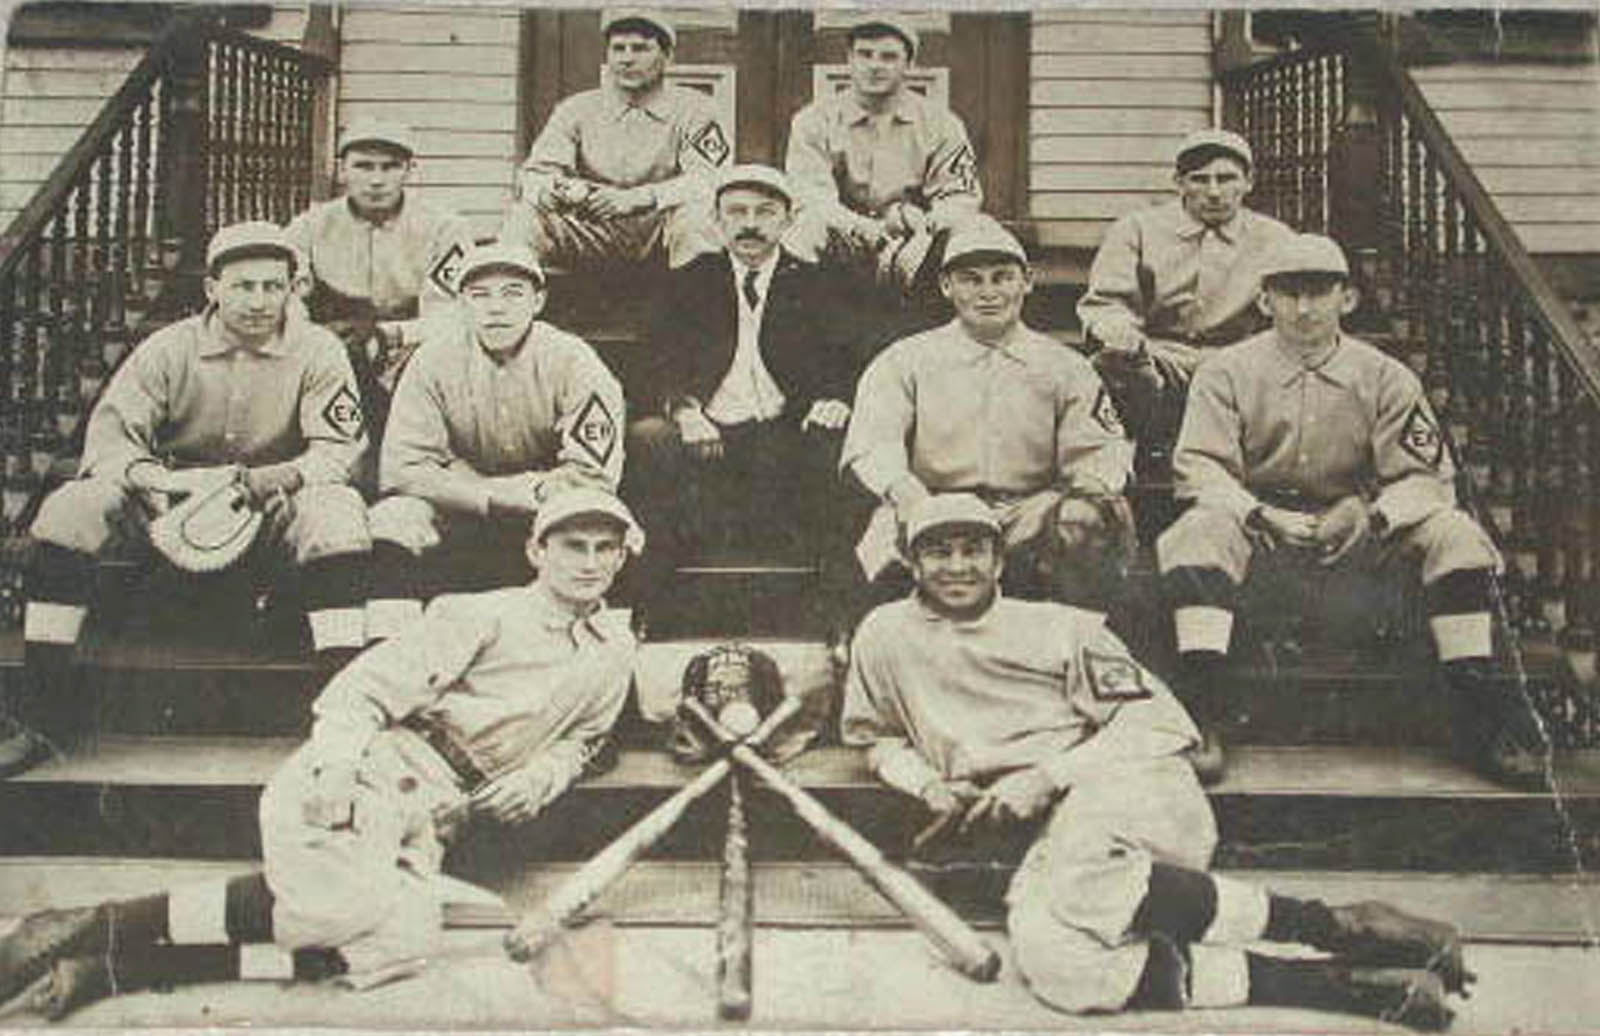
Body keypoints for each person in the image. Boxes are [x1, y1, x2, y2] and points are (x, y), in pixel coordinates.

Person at [0, 488, 643, 1019]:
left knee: (399, 945)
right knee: (339, 906)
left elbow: (583, 742)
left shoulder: (613, 651)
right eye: (572, 545)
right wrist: (336, 770)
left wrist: (538, 779)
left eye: (604, 548)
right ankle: (91, 926)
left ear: (621, 557)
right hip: (375, 767)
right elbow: (359, 691)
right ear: (536, 550)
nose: (588, 562)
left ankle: (113, 968)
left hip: (436, 813)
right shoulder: (481, 615)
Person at [841, 493, 1470, 1031]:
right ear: (912, 562)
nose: (957, 566)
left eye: (972, 550)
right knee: (1059, 965)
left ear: (1000, 560)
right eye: (938, 551)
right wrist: (926, 785)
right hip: (1044, 831)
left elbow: (1158, 723)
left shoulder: (1064, 628)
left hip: (1122, 784)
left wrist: (1046, 776)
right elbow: (877, 738)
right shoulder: (883, 634)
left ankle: (1333, 925)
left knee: (1081, 873)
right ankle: (1342, 987)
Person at [1156, 233, 1550, 787]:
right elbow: (1199, 466)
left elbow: (1426, 477)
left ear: (1348, 298)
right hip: (1262, 535)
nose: (1304, 308)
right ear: (1264, 300)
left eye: (1319, 292)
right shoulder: (1226, 371)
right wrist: (1258, 514)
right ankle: (1202, 710)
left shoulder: (1386, 375)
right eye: (1289, 293)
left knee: (1455, 534)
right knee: (1199, 531)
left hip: (1360, 538)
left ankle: (1478, 711)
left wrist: (1373, 514)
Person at [0, 222, 371, 779]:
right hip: (167, 505)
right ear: (212, 288)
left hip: (266, 502)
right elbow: (111, 440)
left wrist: (270, 480)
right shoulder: (168, 348)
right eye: (244, 286)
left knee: (336, 512)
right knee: (71, 508)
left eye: (273, 286)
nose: (259, 301)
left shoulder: (317, 349)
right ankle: (43, 712)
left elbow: (339, 449)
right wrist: (157, 482)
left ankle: (341, 727)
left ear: (292, 289)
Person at [841, 217, 1133, 611]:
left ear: (1027, 281)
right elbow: (873, 444)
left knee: (1082, 520)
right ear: (946, 286)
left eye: (1002, 278)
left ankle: (1065, 639)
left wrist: (1060, 498)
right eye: (971, 280)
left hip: (1027, 512)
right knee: (883, 560)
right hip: (931, 502)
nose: (988, 293)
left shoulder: (1065, 366)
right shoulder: (905, 360)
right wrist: (909, 494)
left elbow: (1102, 452)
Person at [364, 242, 624, 641]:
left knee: (590, 520)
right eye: (480, 295)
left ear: (538, 301)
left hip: (543, 507)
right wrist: (487, 495)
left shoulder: (574, 360)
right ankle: (389, 646)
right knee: (394, 516)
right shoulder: (432, 359)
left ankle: (589, 636)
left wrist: (510, 490)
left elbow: (593, 475)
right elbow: (403, 468)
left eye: (512, 293)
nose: (496, 308)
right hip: (463, 508)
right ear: (462, 305)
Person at [626, 164, 862, 592]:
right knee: (649, 438)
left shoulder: (818, 284)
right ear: (716, 221)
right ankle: (655, 601)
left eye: (765, 212)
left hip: (786, 434)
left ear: (789, 221)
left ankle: (832, 604)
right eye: (736, 212)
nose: (750, 224)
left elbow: (851, 357)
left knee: (838, 445)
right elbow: (650, 363)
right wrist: (684, 411)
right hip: (707, 435)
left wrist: (837, 399)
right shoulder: (687, 282)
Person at [1077, 128, 1294, 450]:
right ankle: (1148, 454)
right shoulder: (1137, 229)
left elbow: (1290, 306)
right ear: (1179, 183)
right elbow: (1107, 303)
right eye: (1199, 180)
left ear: (1248, 182)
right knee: (1113, 365)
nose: (1214, 192)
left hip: (1240, 358)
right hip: (1159, 357)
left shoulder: (1275, 238)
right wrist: (1121, 335)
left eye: (1226, 179)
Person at [285, 121, 475, 458]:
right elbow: (287, 301)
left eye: (390, 167)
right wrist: (316, 337)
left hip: (411, 346)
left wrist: (390, 336)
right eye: (363, 166)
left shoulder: (445, 228)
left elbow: (450, 315)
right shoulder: (308, 227)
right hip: (334, 344)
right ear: (341, 170)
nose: (376, 180)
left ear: (410, 170)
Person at [500, 9, 728, 271]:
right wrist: (553, 190)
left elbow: (709, 181)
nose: (627, 59)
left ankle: (698, 296)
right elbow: (535, 175)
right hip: (592, 228)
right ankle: (506, 293)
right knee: (525, 217)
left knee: (697, 217)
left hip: (662, 231)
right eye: (618, 49)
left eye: (640, 49)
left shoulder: (695, 109)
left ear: (667, 56)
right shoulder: (576, 109)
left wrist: (637, 198)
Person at [785, 14, 982, 298]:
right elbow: (812, 198)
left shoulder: (941, 123)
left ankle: (953, 320)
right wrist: (866, 230)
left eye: (889, 57)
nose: (875, 66)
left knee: (973, 229)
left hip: (915, 243)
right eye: (865, 54)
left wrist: (925, 227)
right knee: (804, 230)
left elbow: (960, 195)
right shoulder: (814, 120)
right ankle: (799, 320)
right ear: (849, 60)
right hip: (843, 240)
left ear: (909, 65)